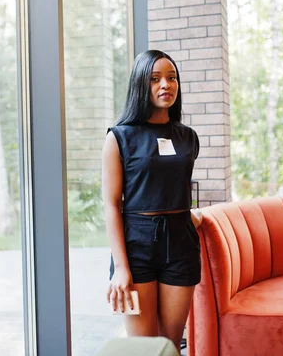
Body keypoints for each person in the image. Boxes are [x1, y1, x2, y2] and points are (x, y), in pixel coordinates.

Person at [102, 49, 203, 351]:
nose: (166, 85)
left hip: (180, 244)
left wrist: (189, 215)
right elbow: (111, 205)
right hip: (137, 246)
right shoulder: (119, 137)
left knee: (170, 345)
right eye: (155, 79)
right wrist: (121, 267)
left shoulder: (188, 137)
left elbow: (176, 187)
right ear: (140, 85)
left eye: (171, 78)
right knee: (145, 349)